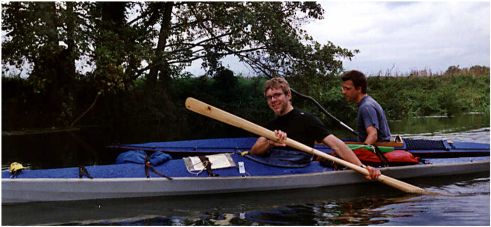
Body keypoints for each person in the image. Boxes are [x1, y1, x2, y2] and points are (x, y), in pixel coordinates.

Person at [250, 77, 380, 180]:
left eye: (277, 95)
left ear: (288, 95)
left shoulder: (307, 120)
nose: (273, 100)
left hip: (298, 170)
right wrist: (270, 143)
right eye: (269, 97)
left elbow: (337, 146)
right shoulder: (272, 124)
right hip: (274, 167)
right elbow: (255, 150)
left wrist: (362, 167)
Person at [341, 70, 392, 145]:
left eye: (348, 89)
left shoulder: (366, 107)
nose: (344, 92)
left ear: (359, 89)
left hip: (379, 152)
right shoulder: (367, 103)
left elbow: (373, 135)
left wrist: (360, 152)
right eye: (343, 88)